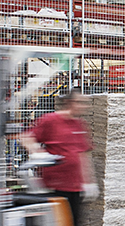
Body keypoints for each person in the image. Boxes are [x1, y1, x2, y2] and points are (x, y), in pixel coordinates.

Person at [21, 89, 97, 226]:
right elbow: (26, 138)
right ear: (69, 102)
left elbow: (83, 155)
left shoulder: (80, 124)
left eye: (85, 103)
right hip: (54, 187)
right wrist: (38, 152)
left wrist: (89, 182)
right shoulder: (50, 120)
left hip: (75, 188)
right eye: (79, 103)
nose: (83, 106)